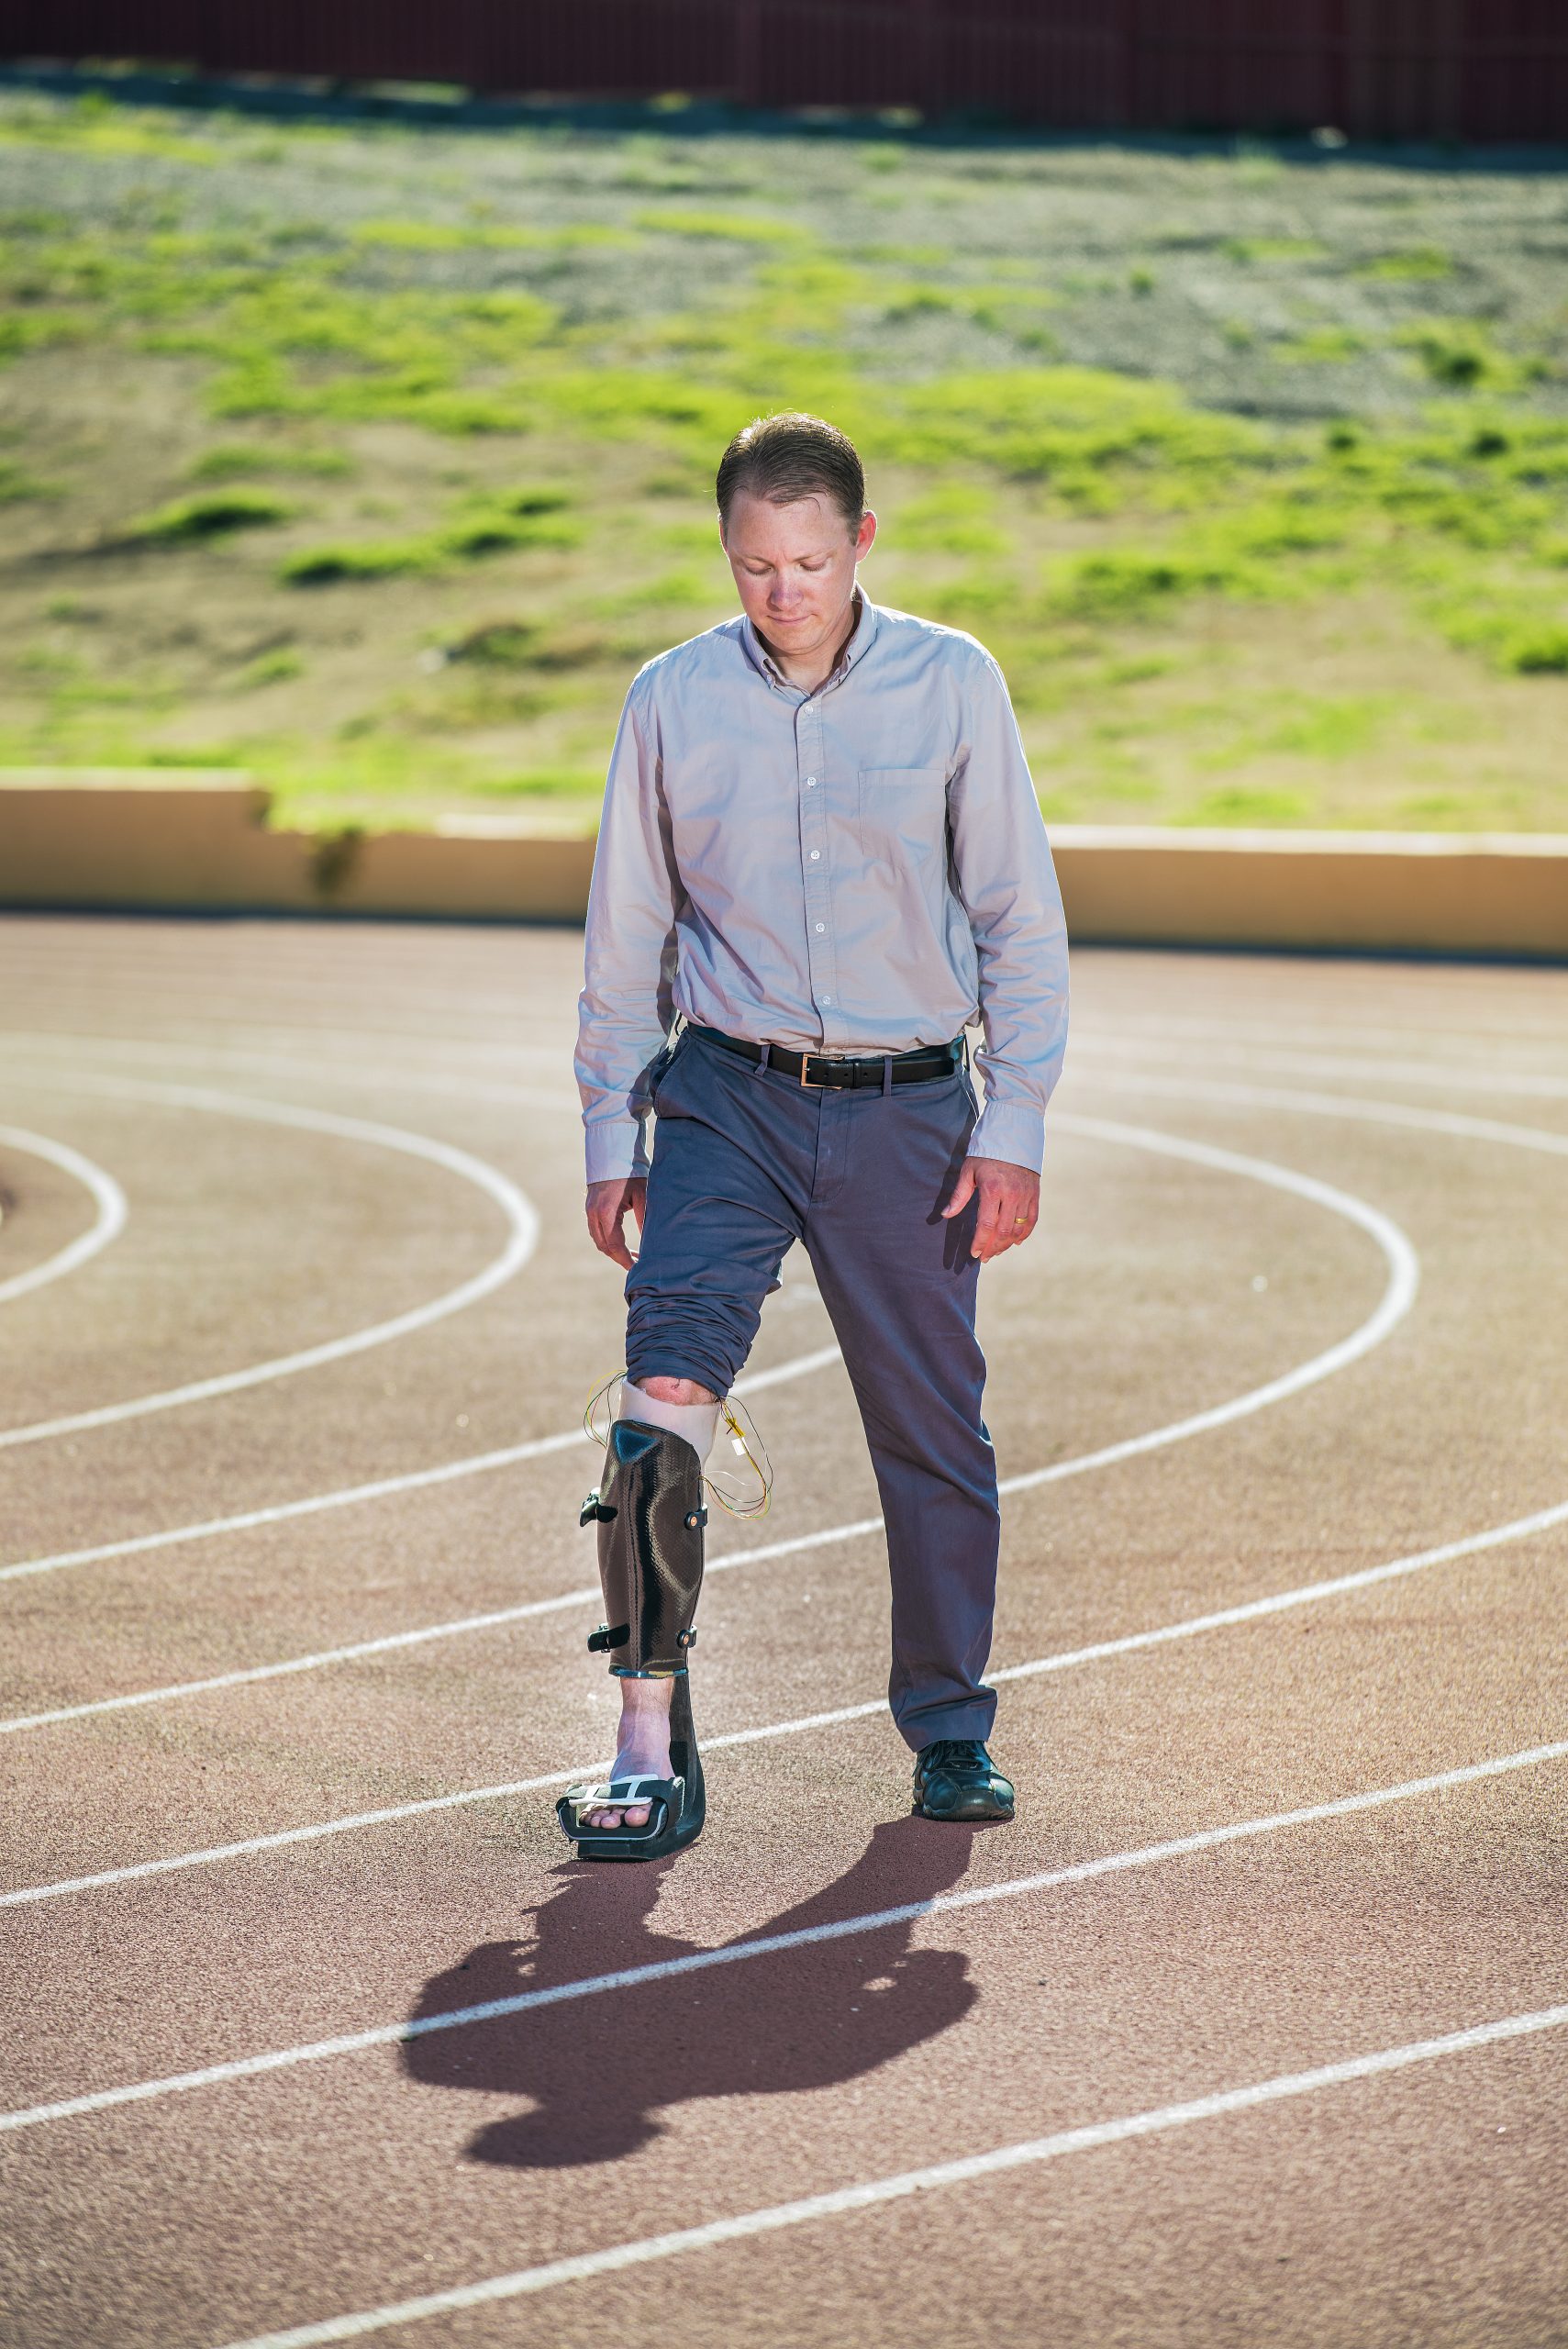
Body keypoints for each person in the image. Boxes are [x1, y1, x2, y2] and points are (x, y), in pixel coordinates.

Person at [558, 410, 1068, 1861]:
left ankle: (949, 1725)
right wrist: (611, 1131)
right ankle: (645, 1745)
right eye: (751, 566)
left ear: (859, 542)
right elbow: (626, 932)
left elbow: (1017, 919)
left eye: (807, 561)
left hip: (913, 1108)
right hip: (723, 1095)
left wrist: (1013, 1123)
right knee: (658, 1400)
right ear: (725, 555)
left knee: (930, 1429)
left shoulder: (953, 683)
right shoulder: (668, 700)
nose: (782, 593)